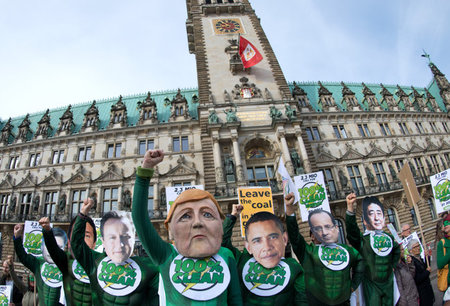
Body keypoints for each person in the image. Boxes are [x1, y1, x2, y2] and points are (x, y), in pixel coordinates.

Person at [131, 149, 242, 305]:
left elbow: (235, 299)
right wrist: (145, 171)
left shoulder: (226, 255)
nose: (198, 222)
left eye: (208, 214)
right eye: (185, 216)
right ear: (170, 230)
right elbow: (139, 218)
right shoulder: (166, 255)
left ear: (222, 226)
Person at [71, 199, 159, 305]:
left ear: (133, 239)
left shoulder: (150, 267)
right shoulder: (94, 262)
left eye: (125, 237)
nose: (119, 244)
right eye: (112, 237)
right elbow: (76, 244)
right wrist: (82, 215)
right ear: (103, 241)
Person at [285, 193, 364, 305]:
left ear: (336, 229)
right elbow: (294, 236)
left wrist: (353, 286)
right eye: (317, 229)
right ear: (312, 236)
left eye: (327, 227)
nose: (324, 232)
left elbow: (360, 261)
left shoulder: (346, 250)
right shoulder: (308, 252)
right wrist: (289, 209)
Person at [221, 204, 307, 304]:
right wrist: (232, 216)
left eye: (273, 237)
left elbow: (302, 300)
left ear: (284, 239)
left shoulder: (294, 267)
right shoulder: (241, 260)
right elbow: (221, 242)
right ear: (248, 247)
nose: (267, 247)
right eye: (257, 240)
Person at [345, 193, 400, 306]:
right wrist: (350, 208)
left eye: (379, 213)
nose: (376, 217)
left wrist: (393, 266)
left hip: (388, 284)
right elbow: (352, 232)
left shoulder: (388, 238)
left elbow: (396, 249)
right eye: (371, 213)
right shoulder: (363, 240)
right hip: (371, 286)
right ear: (365, 221)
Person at [40, 215, 96, 306]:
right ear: (69, 242)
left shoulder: (101, 265)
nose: (80, 241)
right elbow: (54, 251)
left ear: (94, 243)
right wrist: (47, 231)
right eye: (75, 235)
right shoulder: (66, 262)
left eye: (86, 235)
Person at [13, 224, 66, 306]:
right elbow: (22, 256)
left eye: (57, 247)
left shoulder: (66, 265)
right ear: (43, 247)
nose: (51, 251)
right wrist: (17, 237)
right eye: (49, 246)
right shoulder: (38, 264)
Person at [408, 239, 434, 306]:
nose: (418, 248)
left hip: (427, 290)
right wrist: (427, 272)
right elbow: (417, 278)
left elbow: (425, 268)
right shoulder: (412, 262)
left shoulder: (419, 258)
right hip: (422, 293)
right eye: (415, 247)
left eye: (418, 246)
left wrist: (427, 257)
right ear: (411, 250)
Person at [438, 213, 450, 305]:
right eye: (444, 223)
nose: (445, 225)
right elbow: (440, 264)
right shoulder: (442, 243)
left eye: (447, 223)